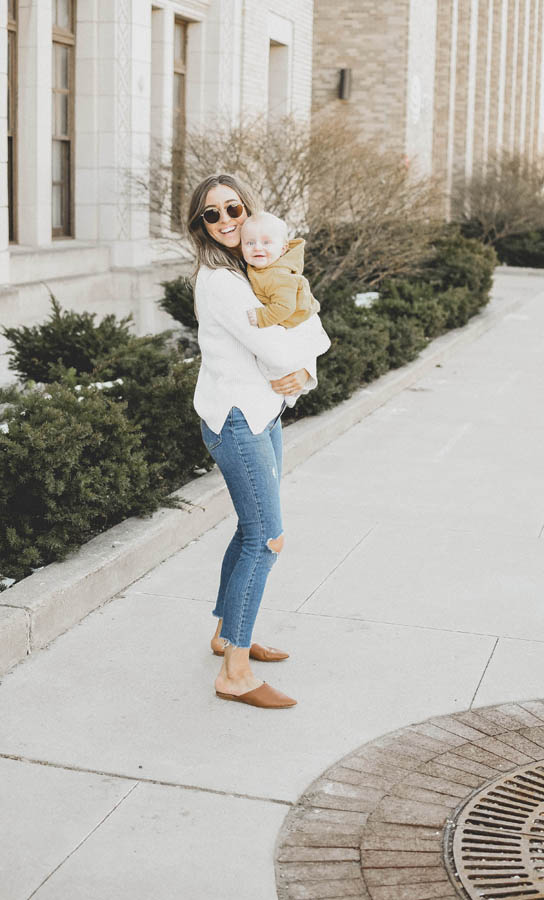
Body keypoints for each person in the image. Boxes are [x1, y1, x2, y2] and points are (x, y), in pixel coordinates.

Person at [186, 173, 330, 710]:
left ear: (250, 209)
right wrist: (306, 357)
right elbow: (280, 346)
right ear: (200, 225)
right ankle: (235, 672)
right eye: (212, 215)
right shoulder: (223, 282)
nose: (226, 221)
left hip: (261, 414)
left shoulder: (251, 264)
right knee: (267, 539)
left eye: (234, 208)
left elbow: (300, 324)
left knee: (251, 530)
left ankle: (226, 633)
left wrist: (305, 365)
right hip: (238, 420)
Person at [241, 211, 320, 329]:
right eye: (250, 243)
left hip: (298, 322)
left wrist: (262, 317)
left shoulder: (279, 275)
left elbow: (285, 306)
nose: (257, 247)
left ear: (283, 249)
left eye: (266, 242)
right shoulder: (259, 265)